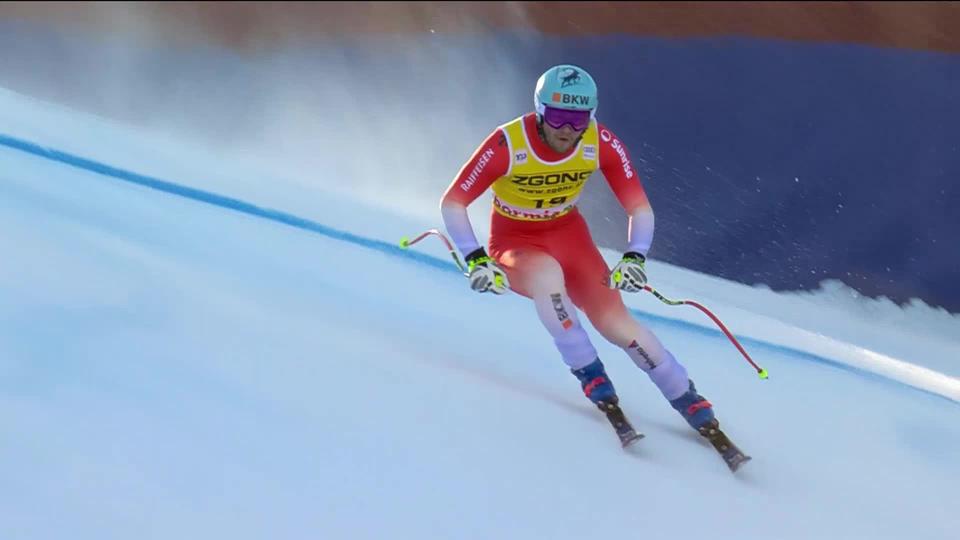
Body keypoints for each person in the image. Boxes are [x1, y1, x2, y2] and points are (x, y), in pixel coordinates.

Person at [439, 64, 742, 460]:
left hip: (571, 238)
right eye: (558, 118)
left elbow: (639, 207)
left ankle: (689, 399)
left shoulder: (599, 142)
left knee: (616, 324)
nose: (568, 130)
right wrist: (476, 258)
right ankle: (593, 378)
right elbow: (453, 202)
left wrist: (635, 257)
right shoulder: (507, 143)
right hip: (516, 244)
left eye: (579, 120)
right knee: (548, 280)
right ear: (539, 111)